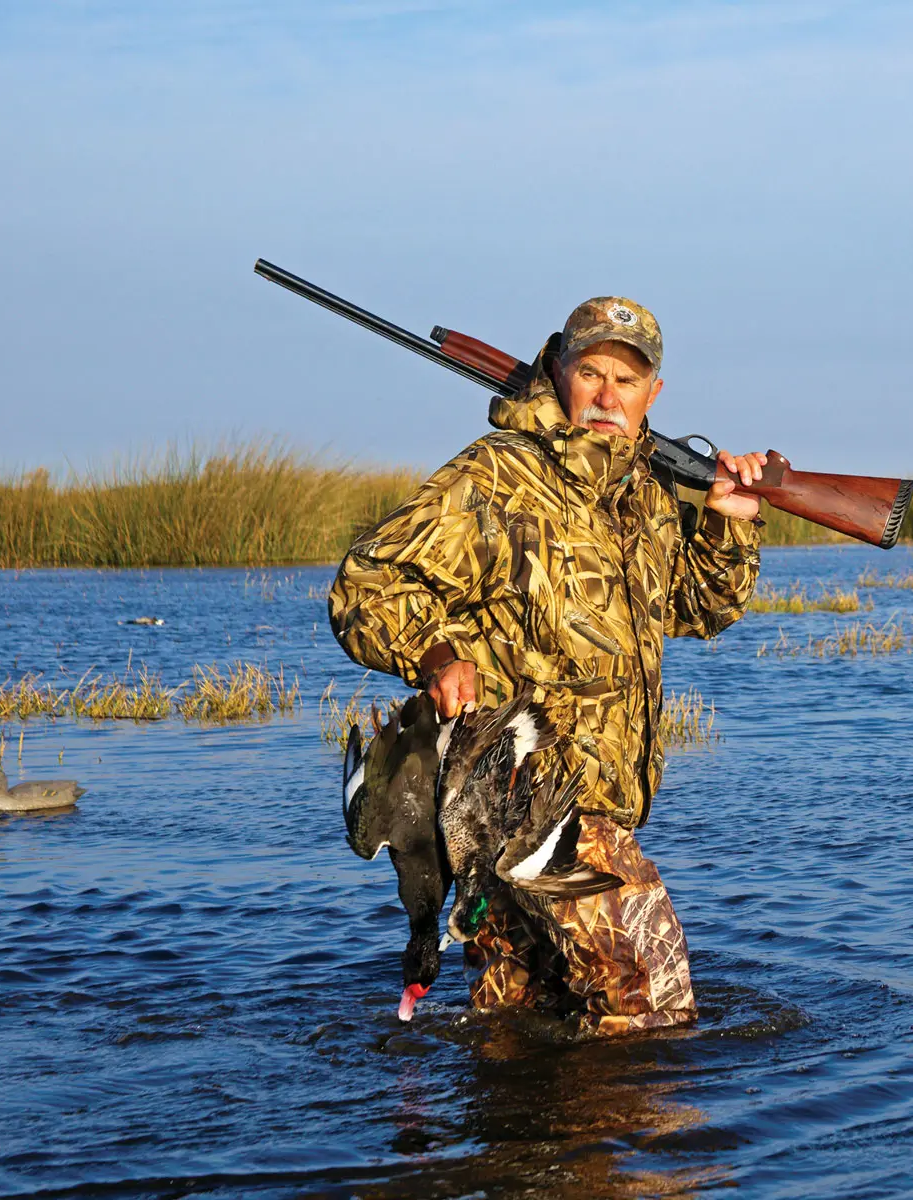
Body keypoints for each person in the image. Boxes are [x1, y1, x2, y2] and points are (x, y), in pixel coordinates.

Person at [327, 296, 764, 1033]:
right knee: (652, 1011)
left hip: (544, 831)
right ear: (558, 371)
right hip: (529, 809)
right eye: (589, 371)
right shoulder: (499, 478)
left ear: (653, 394)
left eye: (625, 380)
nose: (605, 395)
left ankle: (518, 1148)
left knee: (518, 1028)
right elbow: (364, 585)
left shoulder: (647, 494)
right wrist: (435, 652)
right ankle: (635, 1142)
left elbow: (698, 608)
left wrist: (725, 522)